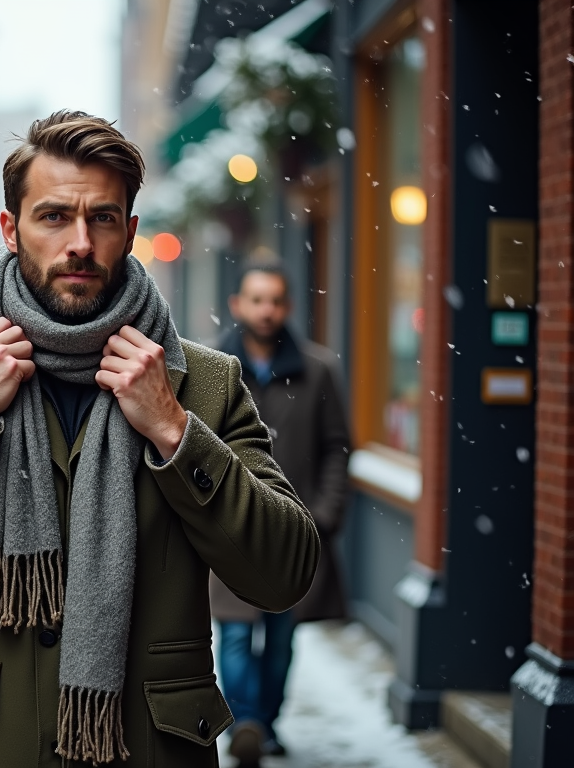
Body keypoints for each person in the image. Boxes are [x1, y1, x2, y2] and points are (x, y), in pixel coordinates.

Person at [0, 111, 320, 768]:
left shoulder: (203, 384)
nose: (80, 242)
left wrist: (175, 431)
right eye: (54, 216)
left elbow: (283, 574)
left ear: (130, 233)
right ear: (11, 229)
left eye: (103, 219)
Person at [211, 256, 351, 767]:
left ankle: (264, 724)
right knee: (233, 633)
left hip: (296, 533)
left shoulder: (318, 370)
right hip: (230, 528)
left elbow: (338, 447)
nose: (266, 310)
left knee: (281, 638)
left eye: (275, 300)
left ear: (287, 306)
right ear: (238, 305)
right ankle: (246, 721)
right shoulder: (210, 368)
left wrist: (324, 515)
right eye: (256, 299)